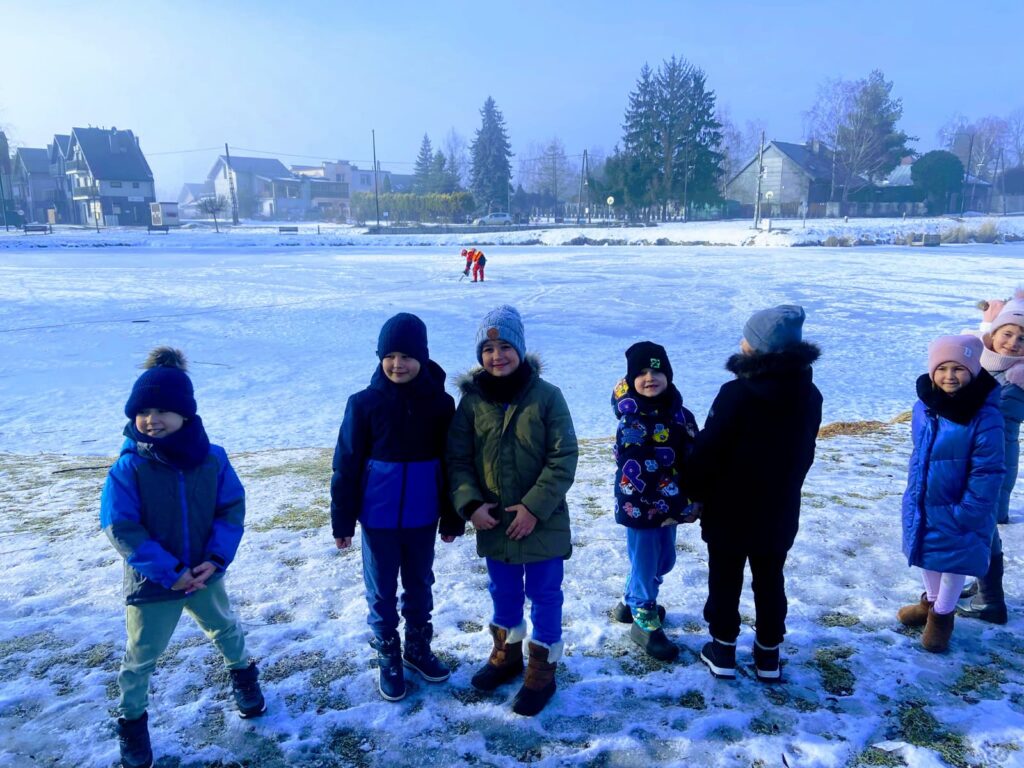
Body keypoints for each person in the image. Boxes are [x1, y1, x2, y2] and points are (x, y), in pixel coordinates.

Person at [101, 347, 264, 768]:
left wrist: (216, 558)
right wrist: (169, 572)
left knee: (225, 628)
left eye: (164, 410)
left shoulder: (213, 458)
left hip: (205, 573)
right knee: (140, 657)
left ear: (186, 415)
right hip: (154, 584)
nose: (152, 418)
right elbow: (121, 526)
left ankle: (243, 676)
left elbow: (231, 509)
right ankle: (132, 723)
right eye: (144, 410)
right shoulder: (128, 467)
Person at [447, 305, 578, 716]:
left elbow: (564, 457)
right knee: (503, 592)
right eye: (488, 348)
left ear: (519, 349)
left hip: (543, 522)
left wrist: (534, 508)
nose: (496, 356)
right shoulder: (471, 403)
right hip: (494, 522)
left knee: (544, 593)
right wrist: (470, 505)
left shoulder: (547, 397)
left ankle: (542, 669)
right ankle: (507, 655)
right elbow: (457, 459)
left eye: (505, 346)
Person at [331, 313, 463, 702]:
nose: (397, 364)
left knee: (420, 583)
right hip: (378, 519)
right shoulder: (364, 404)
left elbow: (452, 461)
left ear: (422, 357)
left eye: (406, 356)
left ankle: (417, 647)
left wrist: (453, 514)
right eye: (389, 356)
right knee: (382, 589)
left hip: (424, 517)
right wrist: (343, 520)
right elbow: (346, 464)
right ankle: (387, 652)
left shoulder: (441, 404)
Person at [687, 306, 822, 682]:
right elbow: (804, 453)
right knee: (770, 578)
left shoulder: (736, 394)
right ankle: (768, 655)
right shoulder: (810, 395)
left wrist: (693, 491)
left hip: (729, 508)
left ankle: (723, 649)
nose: (741, 341)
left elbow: (708, 450)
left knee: (725, 577)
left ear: (760, 348)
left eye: (747, 337)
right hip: (779, 509)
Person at [899, 335, 1004, 652]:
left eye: (958, 368)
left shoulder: (985, 417)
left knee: (953, 565)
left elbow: (988, 471)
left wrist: (967, 512)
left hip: (960, 507)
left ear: (972, 370)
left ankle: (942, 618)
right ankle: (930, 605)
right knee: (927, 556)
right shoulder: (925, 406)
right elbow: (920, 454)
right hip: (925, 502)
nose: (949, 376)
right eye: (942, 368)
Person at [609, 341, 699, 661]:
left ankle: (630, 600)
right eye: (642, 372)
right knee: (647, 561)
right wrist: (668, 501)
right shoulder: (631, 422)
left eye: (657, 370)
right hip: (640, 505)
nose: (650, 377)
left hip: (671, 504)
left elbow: (694, 455)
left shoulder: (680, 415)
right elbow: (636, 471)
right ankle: (644, 618)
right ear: (631, 378)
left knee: (665, 561)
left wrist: (696, 494)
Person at [958, 295, 1024, 625]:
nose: (1012, 343)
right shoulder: (989, 364)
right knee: (979, 526)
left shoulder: (1018, 379)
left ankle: (991, 601)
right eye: (1007, 333)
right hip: (979, 460)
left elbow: (990, 419)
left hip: (992, 463)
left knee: (983, 527)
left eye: (1023, 338)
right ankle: (982, 583)